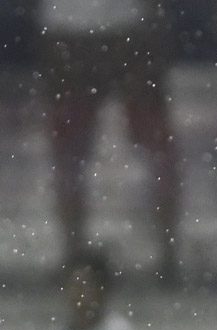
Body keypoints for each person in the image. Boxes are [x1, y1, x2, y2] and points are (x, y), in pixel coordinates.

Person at [35, 0, 181, 281]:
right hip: (75, 26)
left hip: (113, 25)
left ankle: (168, 255)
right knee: (71, 150)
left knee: (153, 146)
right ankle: (74, 253)